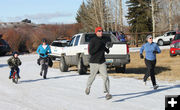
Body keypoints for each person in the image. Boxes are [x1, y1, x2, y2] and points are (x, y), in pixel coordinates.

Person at [85, 27, 112, 100]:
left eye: (102, 31)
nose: (101, 32)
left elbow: (106, 49)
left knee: (106, 77)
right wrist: (99, 46)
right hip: (94, 62)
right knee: (92, 76)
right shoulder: (92, 40)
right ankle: (88, 87)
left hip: (102, 61)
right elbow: (91, 52)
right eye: (99, 31)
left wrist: (108, 47)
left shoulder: (103, 39)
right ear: (96, 32)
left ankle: (107, 93)